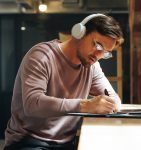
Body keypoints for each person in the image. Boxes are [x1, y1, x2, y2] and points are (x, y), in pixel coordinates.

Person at [4, 13, 124, 150]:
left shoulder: (92, 66)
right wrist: (85, 106)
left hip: (66, 144)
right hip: (28, 142)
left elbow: (113, 98)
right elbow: (32, 104)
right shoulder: (41, 57)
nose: (99, 55)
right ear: (80, 33)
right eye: (98, 46)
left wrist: (110, 103)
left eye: (105, 52)